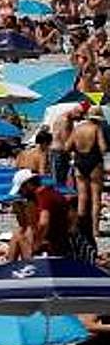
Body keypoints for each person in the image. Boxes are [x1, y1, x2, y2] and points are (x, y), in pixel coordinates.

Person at [11, 168, 72, 257]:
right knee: (21, 233)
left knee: (18, 237)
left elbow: (44, 223)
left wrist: (36, 245)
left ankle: (16, 267)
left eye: (21, 190)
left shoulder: (43, 196)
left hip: (55, 246)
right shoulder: (50, 193)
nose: (21, 194)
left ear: (28, 184)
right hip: (60, 241)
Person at [67, 106, 105, 236]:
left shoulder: (77, 128)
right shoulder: (96, 128)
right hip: (94, 161)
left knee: (82, 197)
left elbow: (67, 146)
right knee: (95, 198)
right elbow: (103, 147)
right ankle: (94, 229)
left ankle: (80, 228)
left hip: (79, 161)